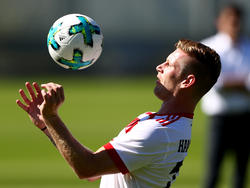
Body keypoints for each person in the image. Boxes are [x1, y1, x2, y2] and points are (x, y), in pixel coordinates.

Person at [16, 39, 221, 188]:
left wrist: (52, 117)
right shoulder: (166, 124)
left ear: (187, 82)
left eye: (169, 65)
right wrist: (47, 124)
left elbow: (87, 168)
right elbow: (93, 167)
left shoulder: (159, 132)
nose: (159, 67)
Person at [201, 4, 250, 188]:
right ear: (220, 22)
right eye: (230, 20)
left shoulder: (248, 47)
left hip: (245, 117)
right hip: (219, 118)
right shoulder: (209, 47)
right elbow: (216, 83)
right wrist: (242, 84)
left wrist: (231, 83)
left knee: (241, 173)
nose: (234, 25)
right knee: (213, 173)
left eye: (237, 21)